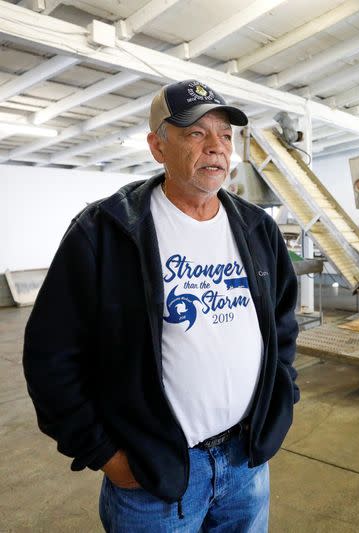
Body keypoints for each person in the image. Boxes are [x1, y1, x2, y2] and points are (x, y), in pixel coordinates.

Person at [23, 79, 299, 532]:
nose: (216, 147)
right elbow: (51, 356)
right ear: (158, 146)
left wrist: (280, 401)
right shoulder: (106, 231)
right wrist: (105, 454)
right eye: (196, 133)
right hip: (154, 476)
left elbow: (282, 329)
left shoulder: (255, 229)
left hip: (247, 462)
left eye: (225, 135)